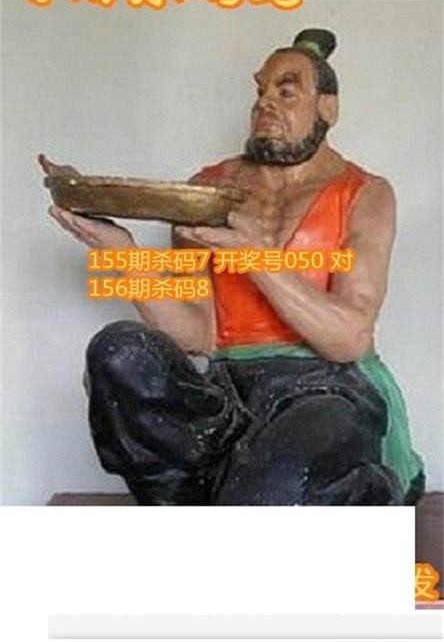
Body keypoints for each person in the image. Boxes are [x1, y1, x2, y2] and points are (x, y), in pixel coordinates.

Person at [46, 28, 425, 506]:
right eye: (261, 91)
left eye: (287, 91)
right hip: (230, 387)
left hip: (326, 387)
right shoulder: (206, 190)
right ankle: (202, 497)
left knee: (274, 481)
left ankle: (348, 493)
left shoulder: (364, 193)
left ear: (327, 108)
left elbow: (348, 338)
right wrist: (119, 251)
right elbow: (197, 333)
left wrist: (256, 257)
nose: (266, 103)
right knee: (118, 350)